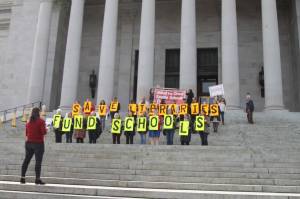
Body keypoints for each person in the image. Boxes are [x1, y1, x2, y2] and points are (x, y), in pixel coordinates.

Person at [20, 107, 47, 185]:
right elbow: (44, 132)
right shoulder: (41, 121)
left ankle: (22, 178)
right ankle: (37, 179)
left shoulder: (28, 122)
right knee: (38, 162)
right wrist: (47, 129)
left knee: (26, 160)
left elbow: (26, 134)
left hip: (28, 143)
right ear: (39, 112)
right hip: (38, 143)